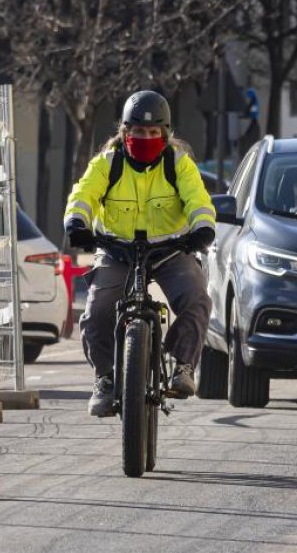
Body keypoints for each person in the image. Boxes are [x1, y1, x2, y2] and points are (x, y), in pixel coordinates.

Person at [63, 91, 216, 418]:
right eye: (137, 131)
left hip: (170, 249)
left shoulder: (178, 164)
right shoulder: (108, 162)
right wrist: (77, 223)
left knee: (197, 298)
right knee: (96, 313)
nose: (144, 138)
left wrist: (202, 228)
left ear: (165, 133)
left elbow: (198, 199)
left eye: (152, 132)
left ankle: (182, 364)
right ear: (124, 131)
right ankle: (104, 378)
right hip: (117, 250)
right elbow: (83, 194)